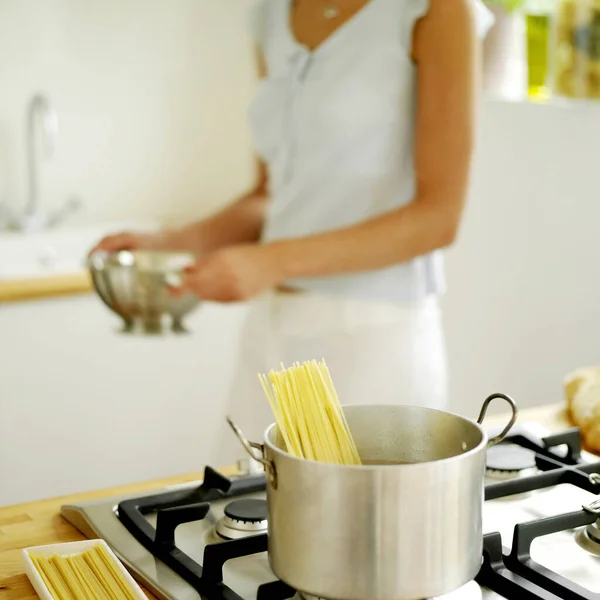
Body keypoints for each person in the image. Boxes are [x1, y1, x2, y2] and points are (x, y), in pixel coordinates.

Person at [92, 0, 493, 466]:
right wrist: (173, 243)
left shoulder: (439, 10)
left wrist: (270, 262)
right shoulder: (270, 12)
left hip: (373, 337)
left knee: (359, 531)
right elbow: (272, 196)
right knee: (237, 522)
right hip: (272, 336)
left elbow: (437, 218)